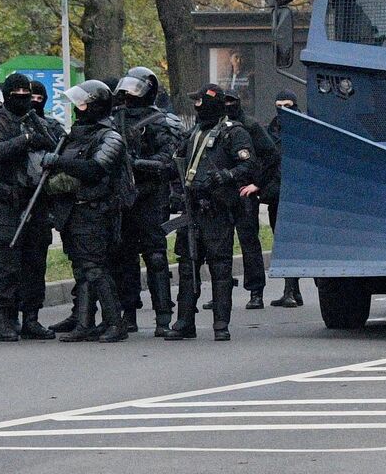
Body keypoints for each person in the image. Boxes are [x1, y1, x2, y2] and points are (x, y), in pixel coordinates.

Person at [43, 80, 134, 343]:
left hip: (97, 211)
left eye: (82, 105)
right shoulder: (75, 135)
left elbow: (95, 170)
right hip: (73, 211)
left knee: (95, 268)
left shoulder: (110, 137)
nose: (77, 109)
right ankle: (84, 323)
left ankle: (115, 323)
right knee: (82, 269)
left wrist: (60, 162)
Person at [166, 84, 257, 340]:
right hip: (192, 208)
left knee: (220, 267)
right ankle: (185, 321)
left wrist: (225, 176)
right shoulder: (194, 133)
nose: (196, 107)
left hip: (217, 209)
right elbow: (177, 163)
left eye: (200, 102)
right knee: (187, 265)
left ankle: (221, 324)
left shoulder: (233, 133)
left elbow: (249, 165)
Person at [0, 72, 63, 341]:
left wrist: (42, 139)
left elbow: (57, 146)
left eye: (27, 96)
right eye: (18, 96)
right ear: (7, 96)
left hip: (36, 201)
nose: (25, 101)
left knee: (35, 262)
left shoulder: (36, 120)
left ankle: (31, 318)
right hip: (8, 202)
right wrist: (24, 140)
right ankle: (3, 318)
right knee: (5, 261)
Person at [112, 66, 181, 335]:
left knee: (155, 257)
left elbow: (169, 162)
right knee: (124, 257)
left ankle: (163, 318)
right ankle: (128, 314)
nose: (130, 95)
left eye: (135, 90)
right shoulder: (115, 119)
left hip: (151, 196)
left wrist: (136, 163)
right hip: (123, 197)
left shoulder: (160, 122)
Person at [223, 91, 276, 310]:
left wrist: (258, 184)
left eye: (231, 102)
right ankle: (221, 291)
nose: (227, 105)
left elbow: (271, 155)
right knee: (220, 244)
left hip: (244, 191)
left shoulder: (250, 126)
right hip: (221, 190)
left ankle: (256, 291)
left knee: (249, 242)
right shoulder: (216, 126)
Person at [267, 91, 302, 307]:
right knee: (280, 239)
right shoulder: (272, 129)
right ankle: (293, 291)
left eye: (287, 106)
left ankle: (290, 290)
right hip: (277, 193)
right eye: (279, 106)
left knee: (290, 242)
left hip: (296, 194)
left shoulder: (304, 129)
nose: (282, 110)